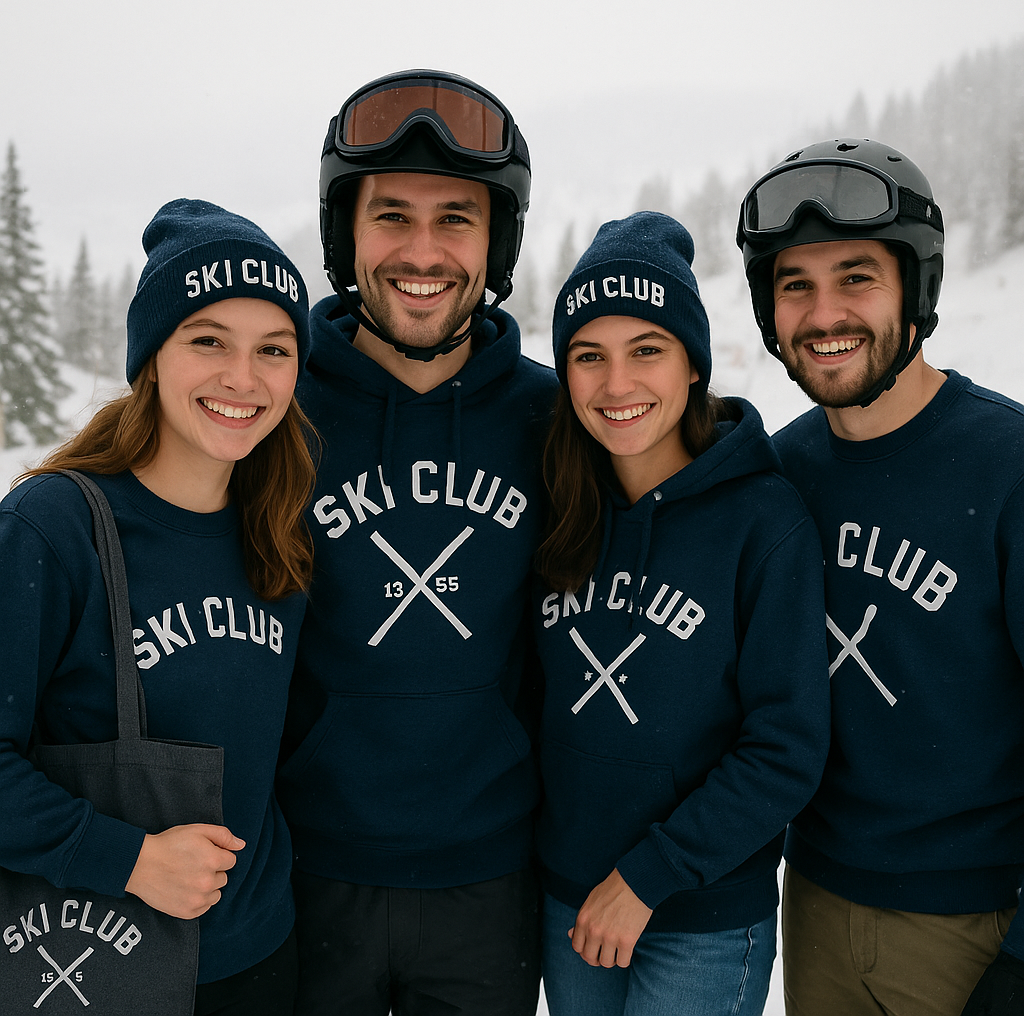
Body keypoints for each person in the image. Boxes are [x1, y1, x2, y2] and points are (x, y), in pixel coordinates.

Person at [275, 70, 558, 1015]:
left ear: (498, 240)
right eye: (391, 215)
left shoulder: (554, 418)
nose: (423, 251)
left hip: (489, 883)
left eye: (458, 219)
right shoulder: (271, 412)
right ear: (344, 236)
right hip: (305, 873)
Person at [0, 199, 314, 1015]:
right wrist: (126, 859)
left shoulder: (278, 534)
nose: (242, 379)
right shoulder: (53, 527)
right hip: (95, 961)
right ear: (151, 356)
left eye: (273, 350)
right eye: (207, 340)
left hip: (258, 959)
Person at [737, 137, 1024, 1016]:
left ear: (917, 288)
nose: (826, 315)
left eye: (857, 277)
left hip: (976, 927)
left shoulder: (1006, 467)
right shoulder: (778, 475)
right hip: (817, 913)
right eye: (796, 285)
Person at [532, 210, 831, 1015]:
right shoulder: (560, 508)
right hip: (570, 902)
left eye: (647, 351)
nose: (617, 385)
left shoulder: (763, 523)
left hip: (699, 916)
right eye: (589, 357)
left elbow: (786, 746)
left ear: (693, 365)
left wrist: (650, 875)